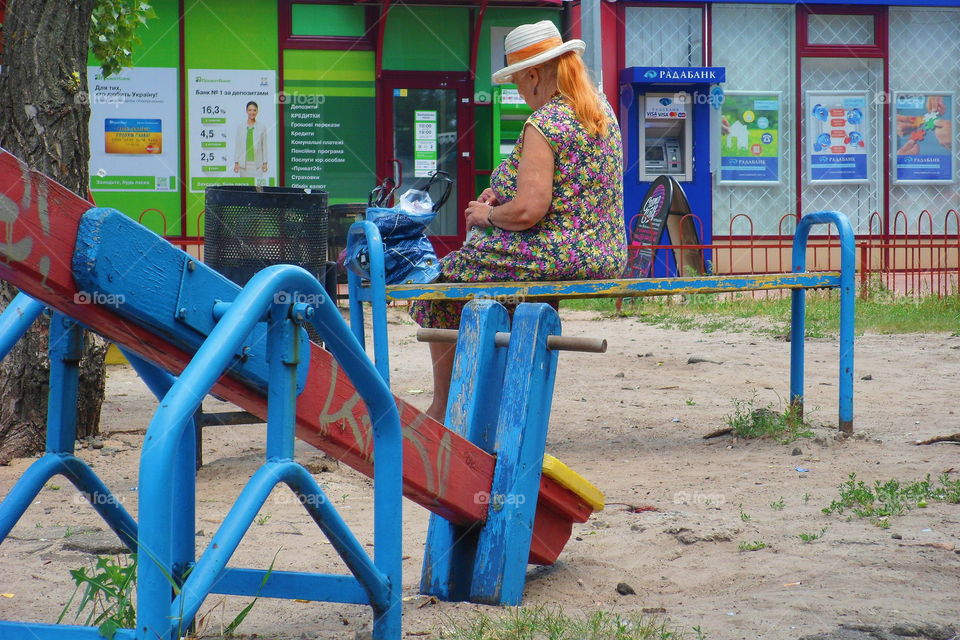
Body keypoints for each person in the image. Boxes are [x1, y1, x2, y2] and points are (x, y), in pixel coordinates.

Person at [410, 20, 626, 420]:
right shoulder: (598, 110)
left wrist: (488, 214)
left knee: (441, 283)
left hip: (559, 254)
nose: (516, 89)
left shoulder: (544, 123)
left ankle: (444, 407)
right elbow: (567, 191)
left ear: (533, 73)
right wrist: (504, 194)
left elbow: (529, 210)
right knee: (501, 293)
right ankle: (502, 400)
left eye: (516, 80)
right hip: (604, 251)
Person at [233, 101, 269, 178]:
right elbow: (238, 146)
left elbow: (264, 146)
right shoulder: (240, 127)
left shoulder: (262, 127)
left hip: (257, 165)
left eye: (254, 110)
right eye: (249, 110)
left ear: (257, 111)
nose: (252, 112)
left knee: (258, 188)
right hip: (243, 165)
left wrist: (265, 163)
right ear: (246, 111)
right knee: (245, 188)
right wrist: (236, 163)